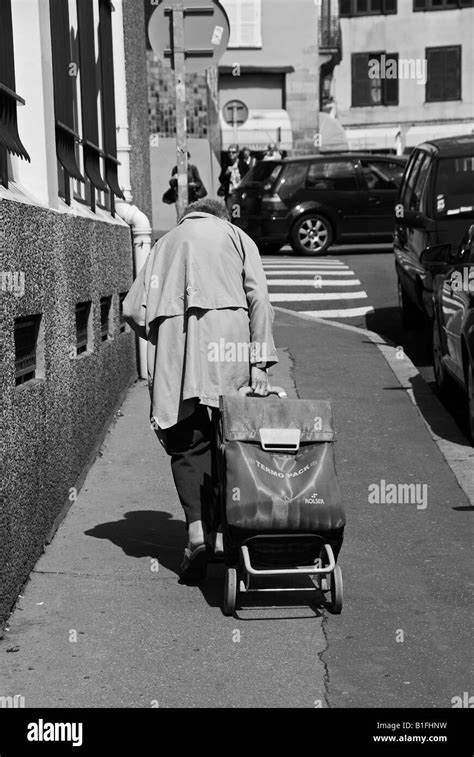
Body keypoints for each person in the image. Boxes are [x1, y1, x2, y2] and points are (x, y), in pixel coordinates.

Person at [122, 199, 278, 584]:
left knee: (187, 440)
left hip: (179, 353)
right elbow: (259, 300)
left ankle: (196, 535)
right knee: (234, 439)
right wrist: (259, 361)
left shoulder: (164, 244)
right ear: (220, 216)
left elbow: (132, 310)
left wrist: (164, 333)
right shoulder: (237, 237)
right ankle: (227, 533)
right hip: (230, 349)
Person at [167, 152, 206, 219]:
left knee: (192, 216)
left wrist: (193, 184)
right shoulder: (175, 169)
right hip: (179, 197)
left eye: (184, 158)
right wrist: (174, 178)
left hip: (191, 197)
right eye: (180, 158)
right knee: (181, 217)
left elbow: (199, 183)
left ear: (188, 158)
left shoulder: (193, 168)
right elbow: (172, 185)